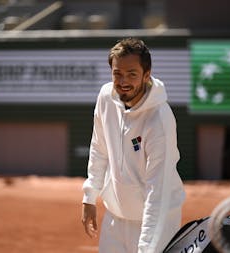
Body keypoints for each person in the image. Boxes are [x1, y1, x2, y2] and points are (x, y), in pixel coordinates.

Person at [81, 37, 186, 253]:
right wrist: (89, 196)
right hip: (116, 217)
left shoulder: (160, 120)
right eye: (117, 73)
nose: (123, 81)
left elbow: (158, 192)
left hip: (158, 221)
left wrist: (147, 247)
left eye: (132, 74)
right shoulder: (105, 97)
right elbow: (99, 148)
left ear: (146, 75)